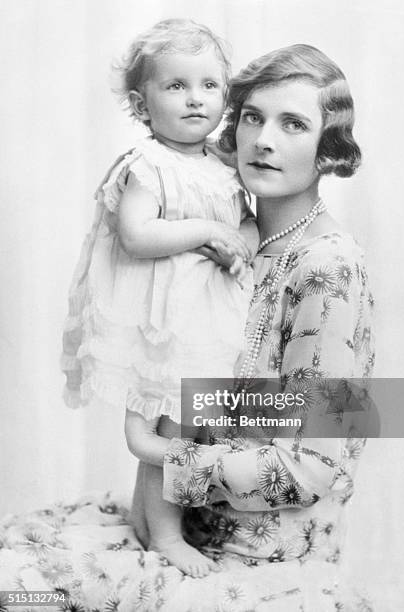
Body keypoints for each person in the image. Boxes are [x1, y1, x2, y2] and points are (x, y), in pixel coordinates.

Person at [130, 44, 375, 610]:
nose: (264, 140)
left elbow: (315, 463)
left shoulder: (328, 267)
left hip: (266, 571)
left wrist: (159, 454)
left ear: (328, 146)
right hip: (181, 541)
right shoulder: (227, 239)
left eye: (293, 124)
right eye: (251, 117)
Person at [61, 19, 258, 579]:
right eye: (176, 86)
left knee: (184, 430)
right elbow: (136, 234)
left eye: (209, 86)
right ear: (141, 104)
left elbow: (243, 226)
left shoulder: (221, 166)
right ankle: (168, 536)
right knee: (170, 431)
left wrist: (236, 249)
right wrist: (202, 231)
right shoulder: (150, 164)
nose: (195, 98)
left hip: (208, 322)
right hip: (164, 327)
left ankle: (150, 525)